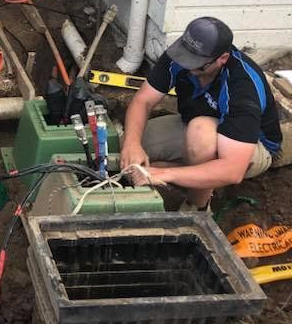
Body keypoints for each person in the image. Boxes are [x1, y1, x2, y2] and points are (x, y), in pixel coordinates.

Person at [120, 16, 282, 211]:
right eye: (185, 58)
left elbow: (233, 170)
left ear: (222, 58)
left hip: (249, 147)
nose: (187, 65)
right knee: (130, 144)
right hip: (194, 127)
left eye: (195, 63)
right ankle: (193, 173)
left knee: (200, 132)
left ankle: (197, 207)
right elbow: (143, 101)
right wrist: (132, 144)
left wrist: (164, 174)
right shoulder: (180, 56)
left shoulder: (242, 86)